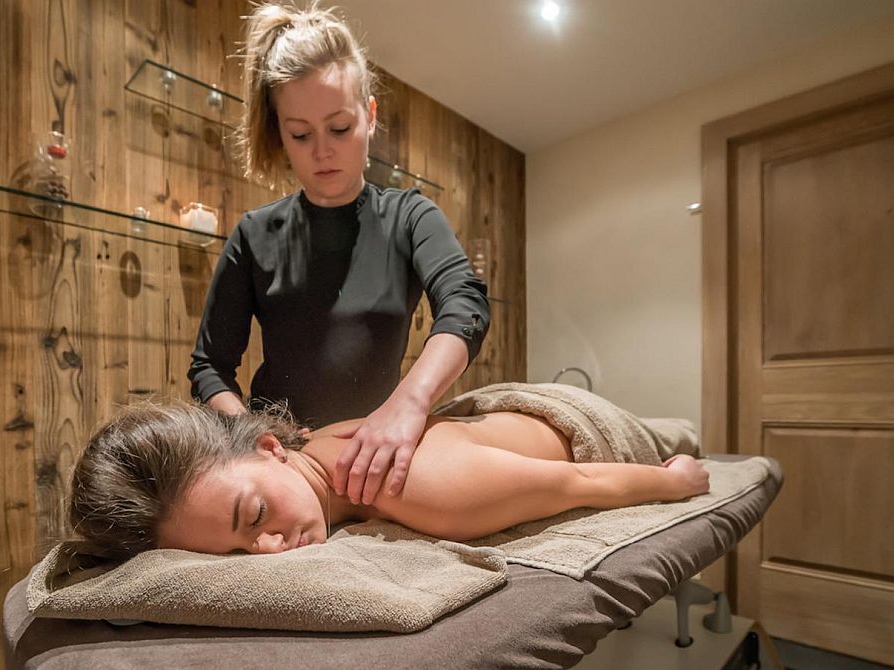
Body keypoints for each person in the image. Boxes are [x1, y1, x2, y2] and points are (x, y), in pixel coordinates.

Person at [188, 1, 490, 509]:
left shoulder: (410, 217)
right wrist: (255, 436)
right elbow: (209, 367)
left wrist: (409, 405)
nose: (322, 151)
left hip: (375, 454)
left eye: (340, 128)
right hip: (280, 464)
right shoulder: (254, 234)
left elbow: (466, 304)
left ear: (369, 119)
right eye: (301, 134)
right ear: (279, 134)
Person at [68, 401, 711, 561]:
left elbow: (583, 483)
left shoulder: (422, 487)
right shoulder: (309, 453)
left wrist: (674, 483)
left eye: (255, 516)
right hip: (488, 421)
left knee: (675, 432)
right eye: (235, 556)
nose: (267, 551)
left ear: (271, 450)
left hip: (578, 422)